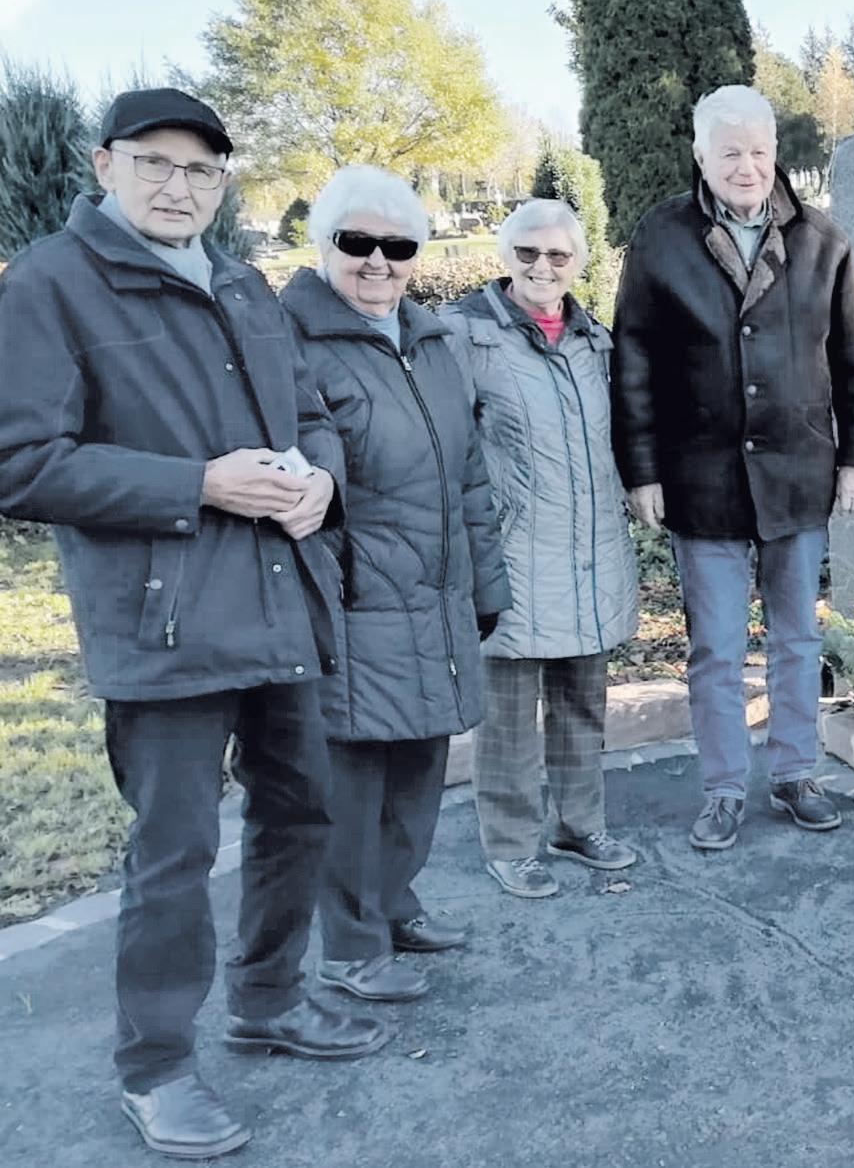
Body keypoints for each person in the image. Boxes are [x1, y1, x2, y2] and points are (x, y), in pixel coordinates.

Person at [0, 89, 387, 1160]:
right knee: (174, 852)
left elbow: (308, 412)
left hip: (279, 601)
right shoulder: (49, 284)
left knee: (299, 812)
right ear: (104, 165)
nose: (179, 186)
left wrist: (322, 482)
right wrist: (197, 484)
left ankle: (268, 1000)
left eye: (201, 170)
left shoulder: (240, 281)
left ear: (222, 183)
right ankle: (157, 1068)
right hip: (163, 624)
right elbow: (19, 463)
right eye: (156, 163)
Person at [611, 84, 854, 851]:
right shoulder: (661, 238)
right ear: (701, 157)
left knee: (797, 641)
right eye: (730, 152)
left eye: (759, 151)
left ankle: (796, 774)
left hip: (799, 473)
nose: (747, 166)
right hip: (701, 481)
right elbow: (633, 361)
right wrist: (642, 471)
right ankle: (724, 788)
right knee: (717, 649)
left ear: (775, 154)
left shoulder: (822, 241)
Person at [279, 167, 509, 1001]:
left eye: (398, 245)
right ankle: (350, 945)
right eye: (358, 242)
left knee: (418, 767)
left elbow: (469, 476)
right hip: (353, 602)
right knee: (354, 782)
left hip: (437, 599)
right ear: (324, 245)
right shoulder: (292, 343)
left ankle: (393, 905)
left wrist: (486, 586)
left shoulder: (434, 342)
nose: (378, 261)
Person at [443, 199, 641, 898]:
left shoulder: (596, 342)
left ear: (577, 262)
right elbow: (448, 449)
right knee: (507, 720)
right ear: (506, 257)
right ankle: (510, 844)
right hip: (512, 555)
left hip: (589, 551)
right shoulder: (464, 336)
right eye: (527, 252)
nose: (542, 267)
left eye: (558, 255)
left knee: (583, 703)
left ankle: (578, 825)